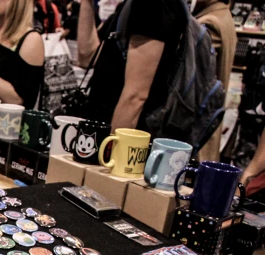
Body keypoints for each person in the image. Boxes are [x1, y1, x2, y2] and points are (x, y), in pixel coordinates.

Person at [77, 0, 188, 131]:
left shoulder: (153, 4)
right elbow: (87, 56)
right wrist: (87, 3)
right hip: (102, 130)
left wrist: (112, 148)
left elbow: (135, 97)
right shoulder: (128, 6)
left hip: (126, 137)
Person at [195, 0, 236, 162]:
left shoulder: (209, 22)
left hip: (197, 129)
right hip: (208, 124)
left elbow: (193, 81)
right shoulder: (224, 16)